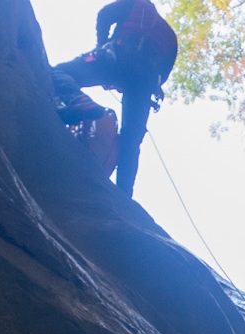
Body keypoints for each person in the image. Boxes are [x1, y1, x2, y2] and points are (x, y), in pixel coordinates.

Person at [52, 2, 179, 199]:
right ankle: (124, 195)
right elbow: (162, 78)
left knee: (57, 72)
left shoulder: (140, 4)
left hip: (118, 55)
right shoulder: (170, 40)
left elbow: (104, 15)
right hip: (145, 83)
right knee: (130, 140)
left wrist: (101, 46)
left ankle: (79, 100)